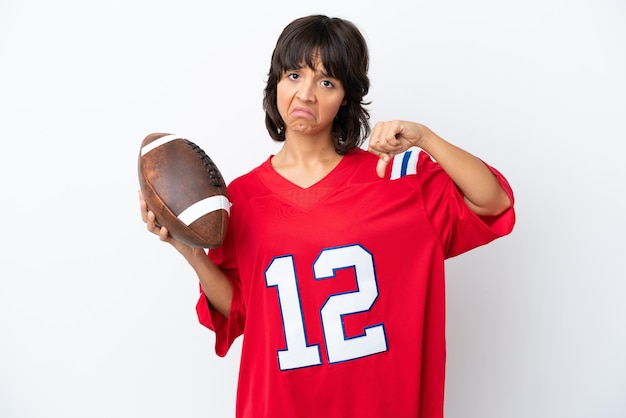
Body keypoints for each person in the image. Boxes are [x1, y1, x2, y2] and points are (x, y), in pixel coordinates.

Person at [139, 14, 515, 418]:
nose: (306, 94)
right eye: (294, 74)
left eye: (326, 82)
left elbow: (492, 202)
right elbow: (245, 313)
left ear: (346, 99)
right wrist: (192, 254)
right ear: (275, 85)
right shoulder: (241, 199)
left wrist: (424, 137)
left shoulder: (394, 178)